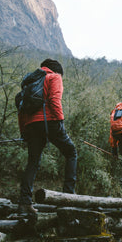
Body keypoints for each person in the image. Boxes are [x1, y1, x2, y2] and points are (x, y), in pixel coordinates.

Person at [18, 59, 77, 221]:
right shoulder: (54, 77)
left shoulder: (30, 82)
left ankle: (24, 203)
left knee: (33, 162)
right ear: (57, 70)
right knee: (71, 152)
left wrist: (24, 131)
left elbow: (21, 110)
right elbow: (54, 100)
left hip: (31, 125)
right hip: (50, 121)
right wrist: (60, 122)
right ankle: (68, 197)